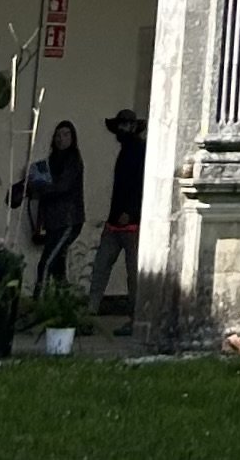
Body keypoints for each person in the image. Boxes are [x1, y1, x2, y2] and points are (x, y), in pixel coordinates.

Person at [86, 109, 146, 326]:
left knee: (134, 274)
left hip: (131, 223)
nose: (122, 129)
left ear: (132, 127)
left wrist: (129, 211)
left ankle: (135, 317)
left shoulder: (139, 151)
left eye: (126, 125)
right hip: (115, 222)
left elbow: (139, 185)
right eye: (120, 125)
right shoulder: (126, 150)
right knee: (101, 267)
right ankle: (90, 311)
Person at [15, 119, 85, 293]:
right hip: (55, 222)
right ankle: (64, 307)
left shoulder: (73, 161)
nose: (62, 139)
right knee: (57, 268)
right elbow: (39, 181)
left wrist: (35, 188)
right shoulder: (51, 162)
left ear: (73, 138)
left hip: (68, 221)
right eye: (58, 135)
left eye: (66, 134)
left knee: (46, 264)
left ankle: (40, 305)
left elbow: (61, 187)